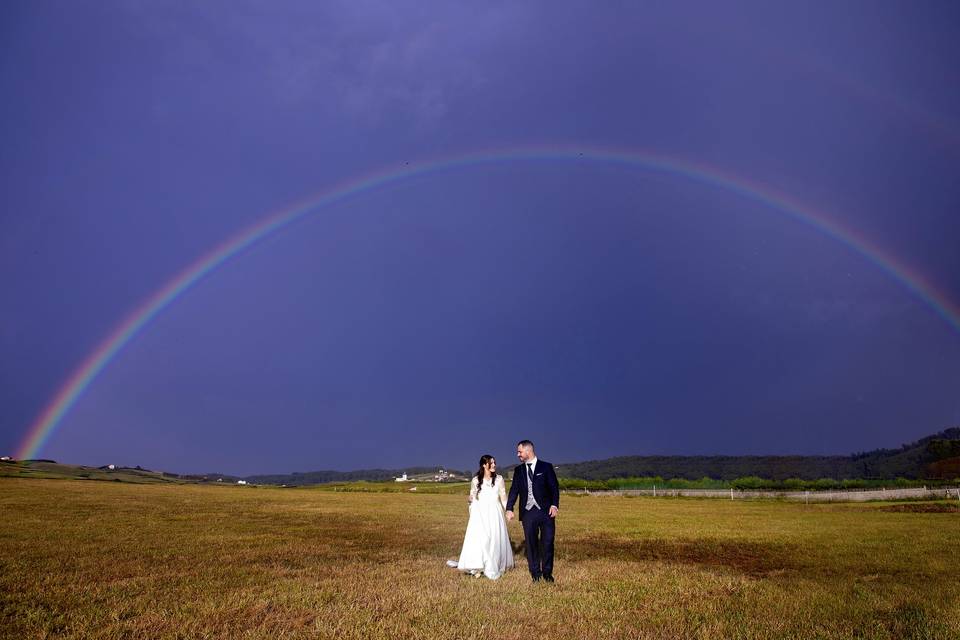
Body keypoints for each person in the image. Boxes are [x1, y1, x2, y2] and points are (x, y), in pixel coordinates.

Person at [452, 455, 515, 579]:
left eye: (494, 462)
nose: (494, 465)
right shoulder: (476, 480)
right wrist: (470, 500)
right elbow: (472, 497)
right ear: (484, 465)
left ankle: (493, 564)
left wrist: (508, 510)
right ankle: (479, 564)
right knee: (482, 539)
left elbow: (503, 498)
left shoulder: (499, 479)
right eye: (491, 463)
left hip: (495, 513)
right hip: (481, 513)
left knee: (494, 538)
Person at [505, 439, 559, 582]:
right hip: (528, 513)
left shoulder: (546, 467)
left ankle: (547, 573)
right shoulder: (518, 470)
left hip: (546, 512)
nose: (518, 454)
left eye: (520, 451)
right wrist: (509, 508)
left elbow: (554, 488)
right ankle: (535, 573)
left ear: (528, 451)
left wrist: (554, 505)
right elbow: (514, 491)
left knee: (548, 542)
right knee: (531, 543)